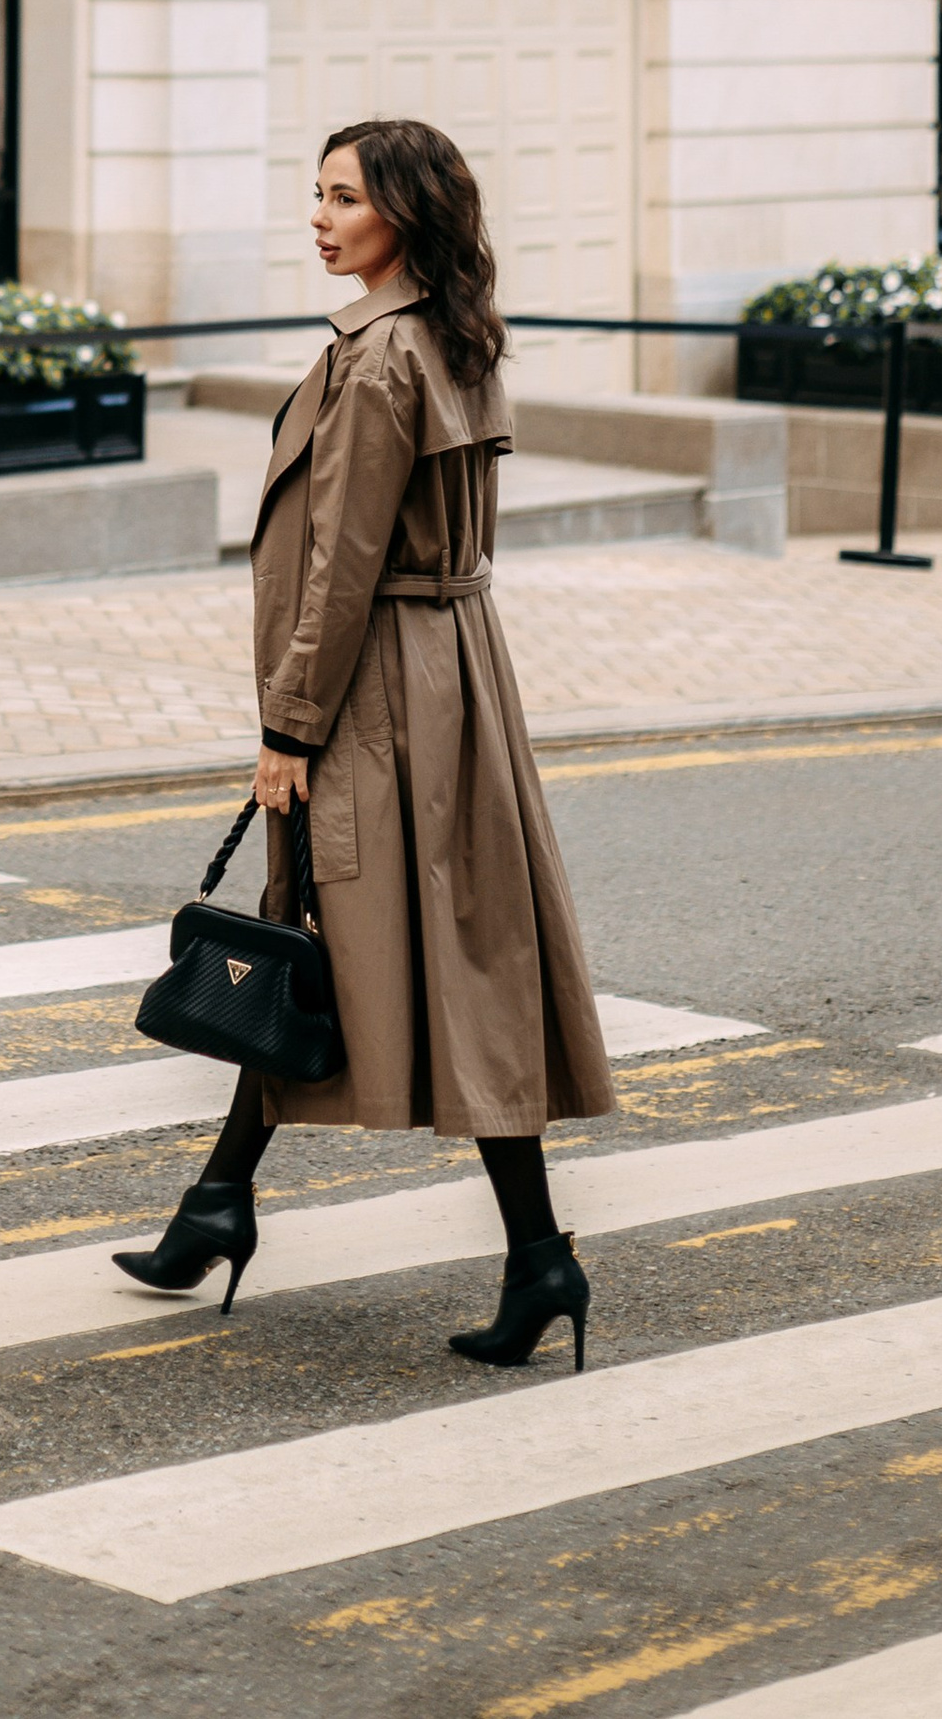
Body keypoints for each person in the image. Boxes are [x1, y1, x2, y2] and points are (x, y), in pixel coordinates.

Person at [115, 116, 618, 1364]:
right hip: (441, 678)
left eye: (343, 197)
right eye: (317, 194)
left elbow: (341, 562)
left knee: (405, 956)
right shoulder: (446, 331)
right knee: (321, 945)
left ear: (402, 211)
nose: (319, 216)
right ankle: (220, 1201)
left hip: (379, 694)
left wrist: (290, 724)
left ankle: (537, 1252)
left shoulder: (381, 358)